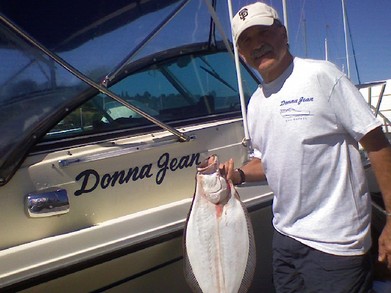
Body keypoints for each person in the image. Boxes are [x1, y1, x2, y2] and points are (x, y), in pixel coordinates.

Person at [222, 2, 391, 292]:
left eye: (263, 32)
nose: (257, 44)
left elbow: (376, 145)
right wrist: (235, 176)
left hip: (338, 244)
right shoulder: (256, 103)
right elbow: (266, 161)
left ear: (282, 34)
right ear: (241, 54)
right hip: (285, 237)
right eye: (246, 40)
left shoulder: (321, 75)